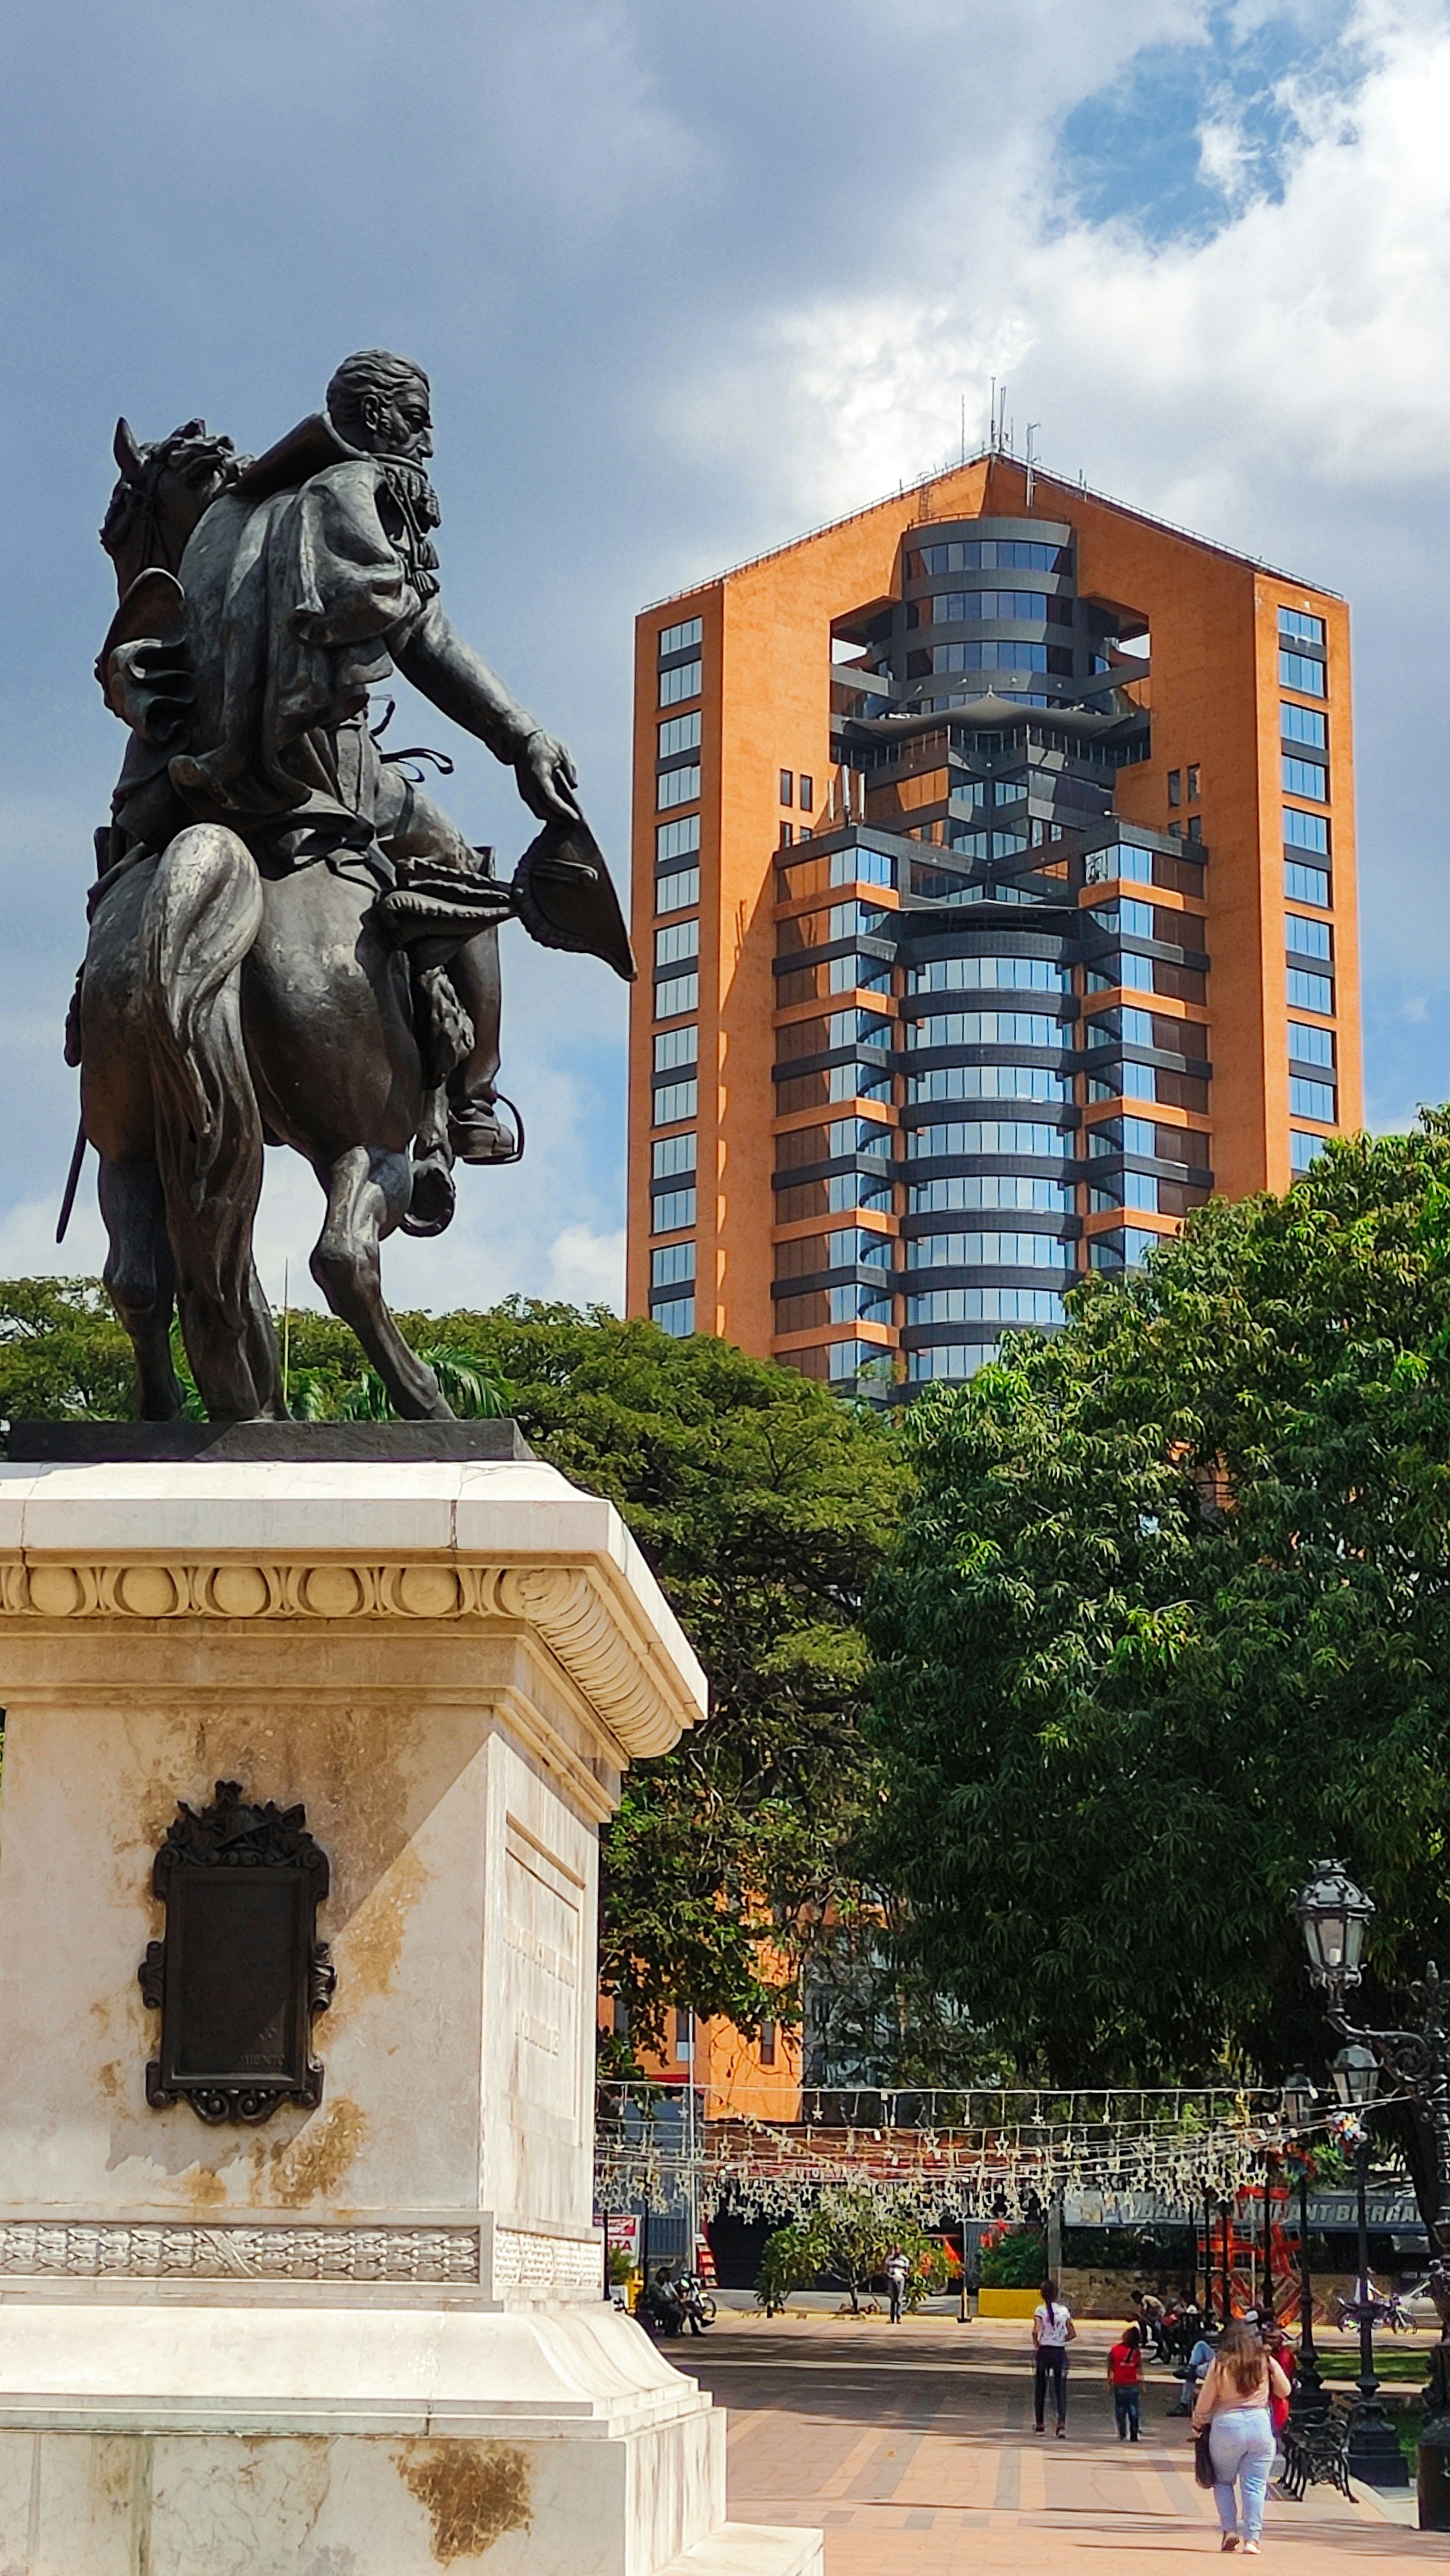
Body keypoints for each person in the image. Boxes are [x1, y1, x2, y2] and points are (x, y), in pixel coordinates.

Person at [1192, 2318, 1289, 2554]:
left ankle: (1229, 2530)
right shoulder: (1264, 2361)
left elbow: (1206, 2399)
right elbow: (1285, 2390)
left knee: (1223, 2481)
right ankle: (1253, 2539)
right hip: (1259, 2424)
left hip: (1227, 2424)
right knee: (1255, 2485)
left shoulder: (1220, 2363)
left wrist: (1198, 2420)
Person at [1032, 2278, 1076, 2437]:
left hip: (1044, 2352)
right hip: (1059, 2352)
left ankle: (1040, 2423)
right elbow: (1072, 2333)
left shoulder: (1040, 2310)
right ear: (1056, 2294)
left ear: (1042, 2295)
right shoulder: (1064, 2311)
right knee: (1060, 2389)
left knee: (1040, 2388)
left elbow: (1036, 2331)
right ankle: (1061, 2424)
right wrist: (1060, 2340)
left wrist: (1037, 2343)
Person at [1106, 2321, 1146, 2443]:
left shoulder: (1115, 2350)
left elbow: (1111, 2367)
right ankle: (1134, 2432)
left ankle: (1122, 2432)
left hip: (1119, 2384)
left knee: (1120, 2410)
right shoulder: (1136, 2352)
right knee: (1134, 2410)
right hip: (1133, 2384)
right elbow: (1139, 2369)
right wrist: (1142, 2384)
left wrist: (1109, 2382)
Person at [884, 2247, 909, 2324]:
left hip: (900, 2280)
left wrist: (903, 2274)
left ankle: (898, 2317)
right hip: (892, 2280)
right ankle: (892, 2318)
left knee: (899, 2299)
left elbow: (907, 2271)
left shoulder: (904, 2260)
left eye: (897, 2249)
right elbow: (886, 2270)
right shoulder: (889, 2259)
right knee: (893, 2299)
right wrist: (891, 2276)